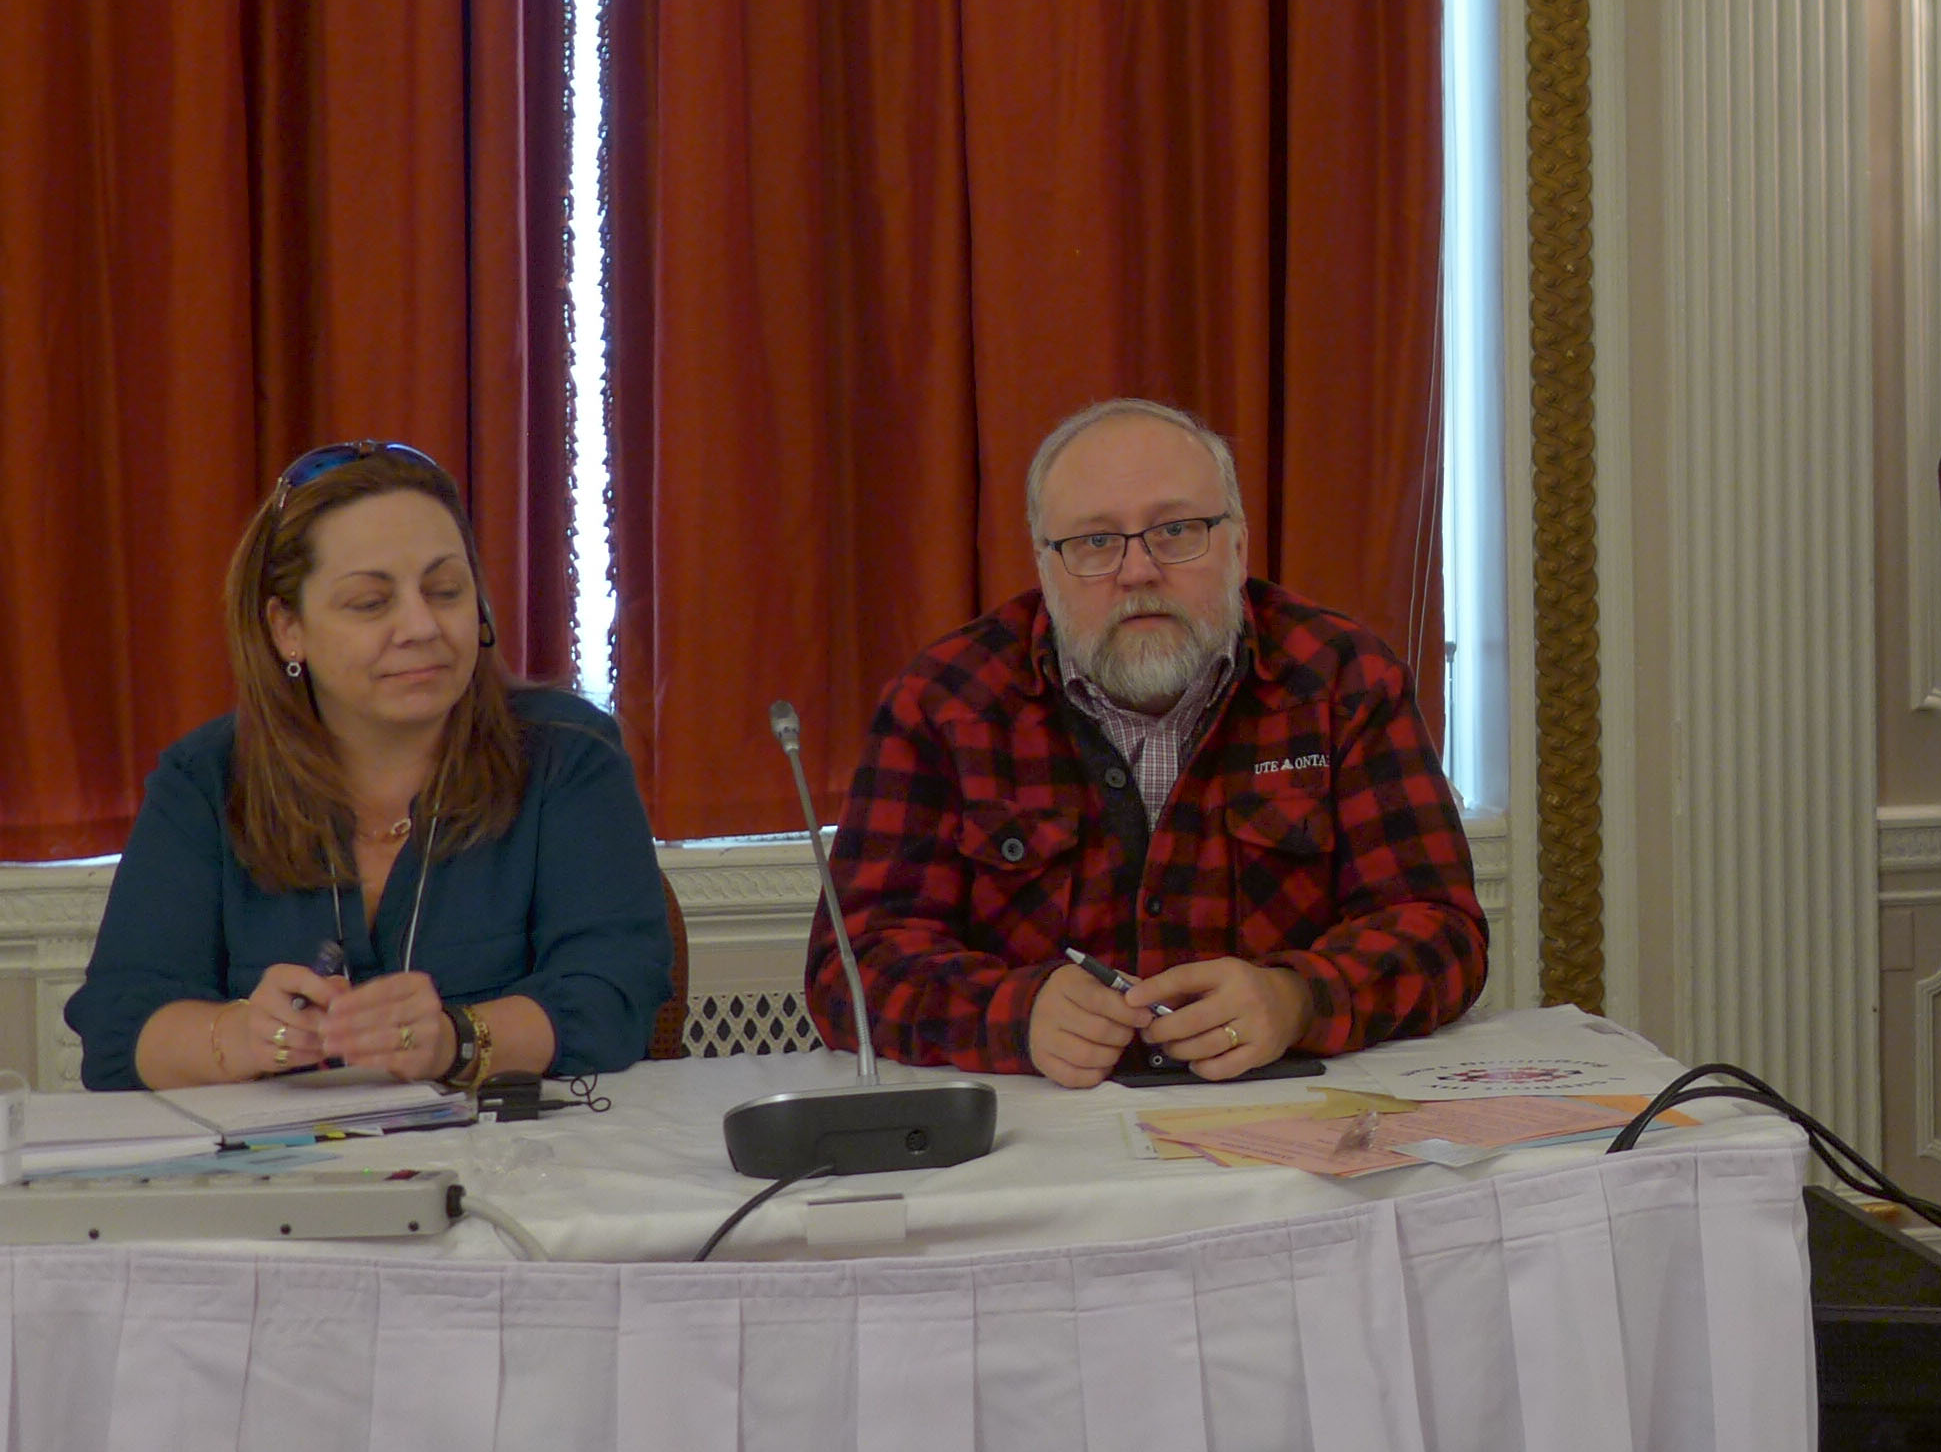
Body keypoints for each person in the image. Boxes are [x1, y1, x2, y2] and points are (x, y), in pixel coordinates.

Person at [809, 398, 1485, 1083]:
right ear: (1045, 566)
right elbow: (850, 965)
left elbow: (1442, 931)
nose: (1138, 572)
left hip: (1286, 1130)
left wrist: (1299, 997)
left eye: (1177, 530)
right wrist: (1015, 1012)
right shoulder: (945, 700)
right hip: (1040, 1139)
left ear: (1239, 543)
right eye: (1094, 542)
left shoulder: (1344, 679)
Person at [68, 441, 677, 1094]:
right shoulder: (205, 780)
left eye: (445, 590)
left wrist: (455, 1038)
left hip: (521, 1171)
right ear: (286, 629)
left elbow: (614, 995)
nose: (420, 625)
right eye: (369, 602)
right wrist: (241, 1036)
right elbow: (120, 1033)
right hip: (282, 1183)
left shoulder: (569, 754)